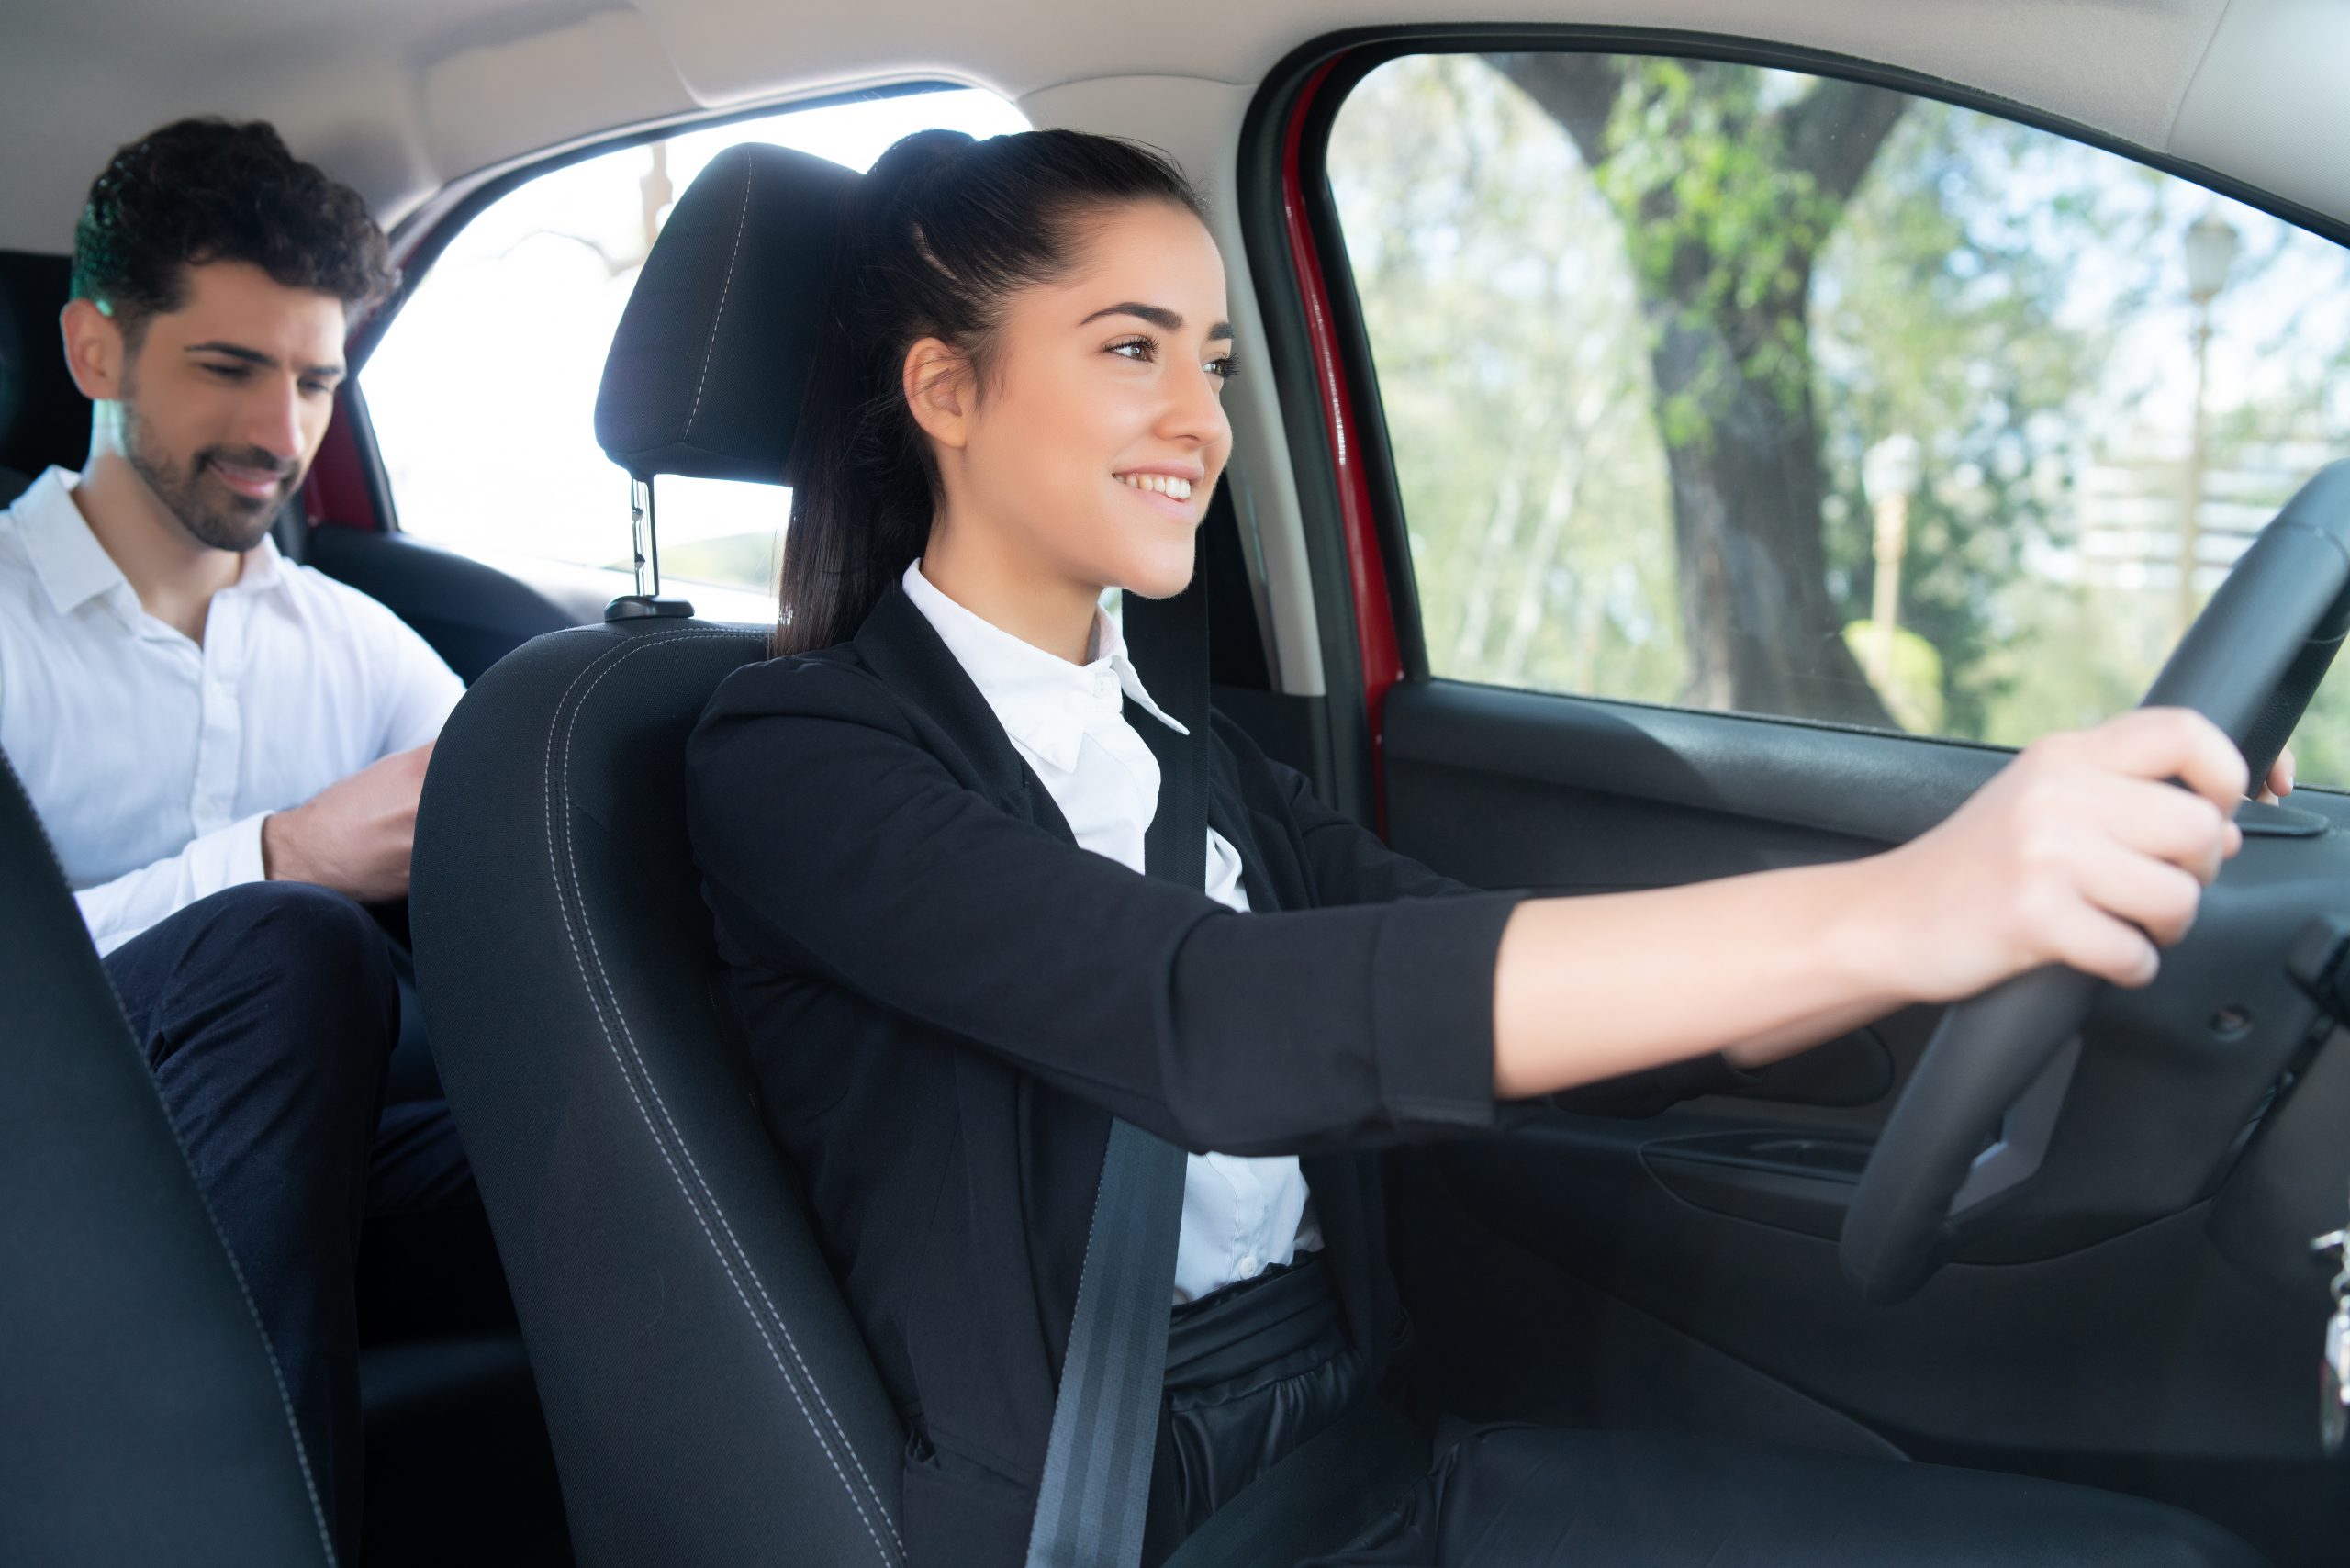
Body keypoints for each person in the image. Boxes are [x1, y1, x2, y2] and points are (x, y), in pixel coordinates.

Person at [684, 128, 2286, 1567]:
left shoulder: (1193, 760)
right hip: (1112, 1520)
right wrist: (1891, 911)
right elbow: (1209, 1021)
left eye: (1220, 362)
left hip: (1362, 1464)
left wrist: (2007, 882)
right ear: (947, 391)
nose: (1202, 418)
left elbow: (1504, 990)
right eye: (1130, 349)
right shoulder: (802, 759)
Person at [0, 118, 488, 1556]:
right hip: (34, 1181)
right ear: (97, 352)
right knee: (290, 945)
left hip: (303, 1171)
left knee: (612, 1110)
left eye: (318, 379)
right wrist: (276, 860)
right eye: (229, 367)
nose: (284, 432)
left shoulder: (359, 644)